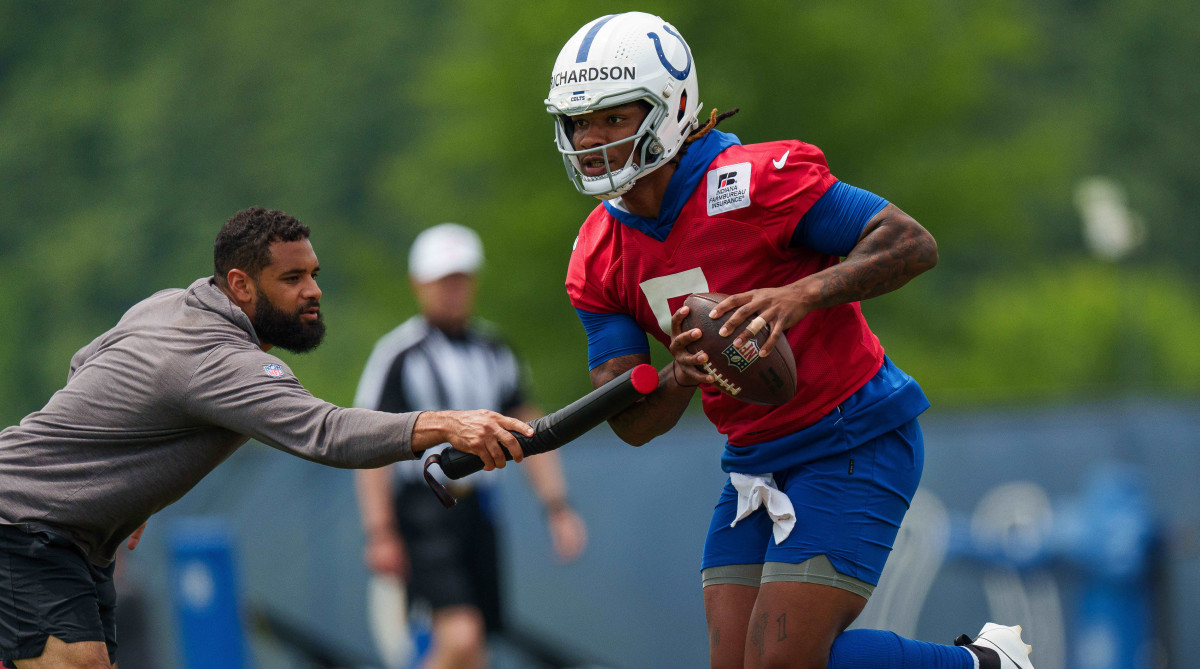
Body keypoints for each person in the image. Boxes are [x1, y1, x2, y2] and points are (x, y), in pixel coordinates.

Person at [544, 12, 1035, 669]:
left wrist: (799, 294)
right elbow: (629, 420)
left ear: (673, 107)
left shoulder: (757, 180)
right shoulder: (598, 251)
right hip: (753, 458)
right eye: (578, 122)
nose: (591, 139)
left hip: (853, 433)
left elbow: (912, 243)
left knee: (785, 662)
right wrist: (678, 376)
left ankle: (987, 664)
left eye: (612, 117)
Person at [0, 207, 534, 669]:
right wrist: (446, 424)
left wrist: (122, 480)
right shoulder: (222, 360)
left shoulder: (167, 305)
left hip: (69, 539)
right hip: (24, 526)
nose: (314, 291)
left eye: (314, 274)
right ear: (241, 285)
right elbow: (328, 433)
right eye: (292, 278)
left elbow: (85, 364)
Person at [354, 223, 587, 669]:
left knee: (476, 648)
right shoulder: (400, 354)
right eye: (443, 280)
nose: (453, 290)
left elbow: (531, 430)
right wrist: (380, 531)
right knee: (462, 637)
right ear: (418, 284)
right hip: (423, 509)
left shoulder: (495, 350)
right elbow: (367, 445)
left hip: (479, 509)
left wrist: (557, 506)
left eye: (460, 279)